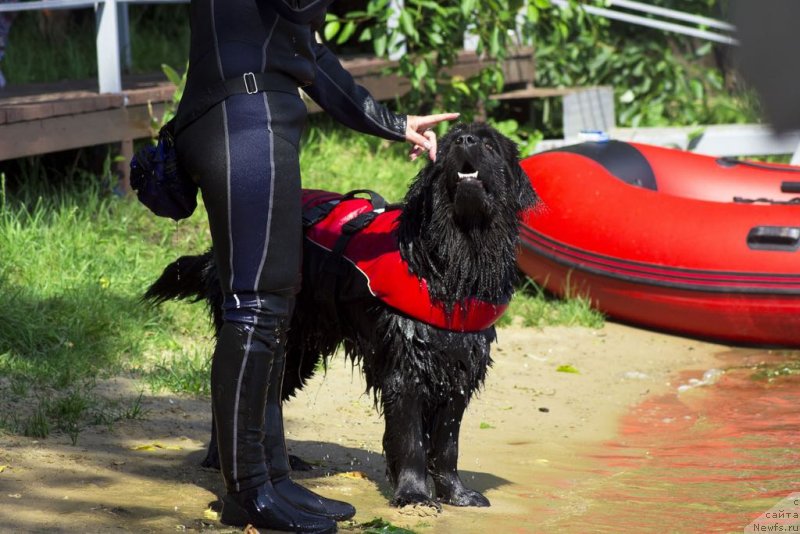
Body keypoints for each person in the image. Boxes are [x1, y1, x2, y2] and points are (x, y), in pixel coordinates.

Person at [172, 1, 458, 532]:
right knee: (255, 309)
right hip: (244, 119)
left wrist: (392, 123)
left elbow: (304, 47)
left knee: (274, 308)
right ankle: (247, 492)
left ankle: (271, 477)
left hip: (250, 117)